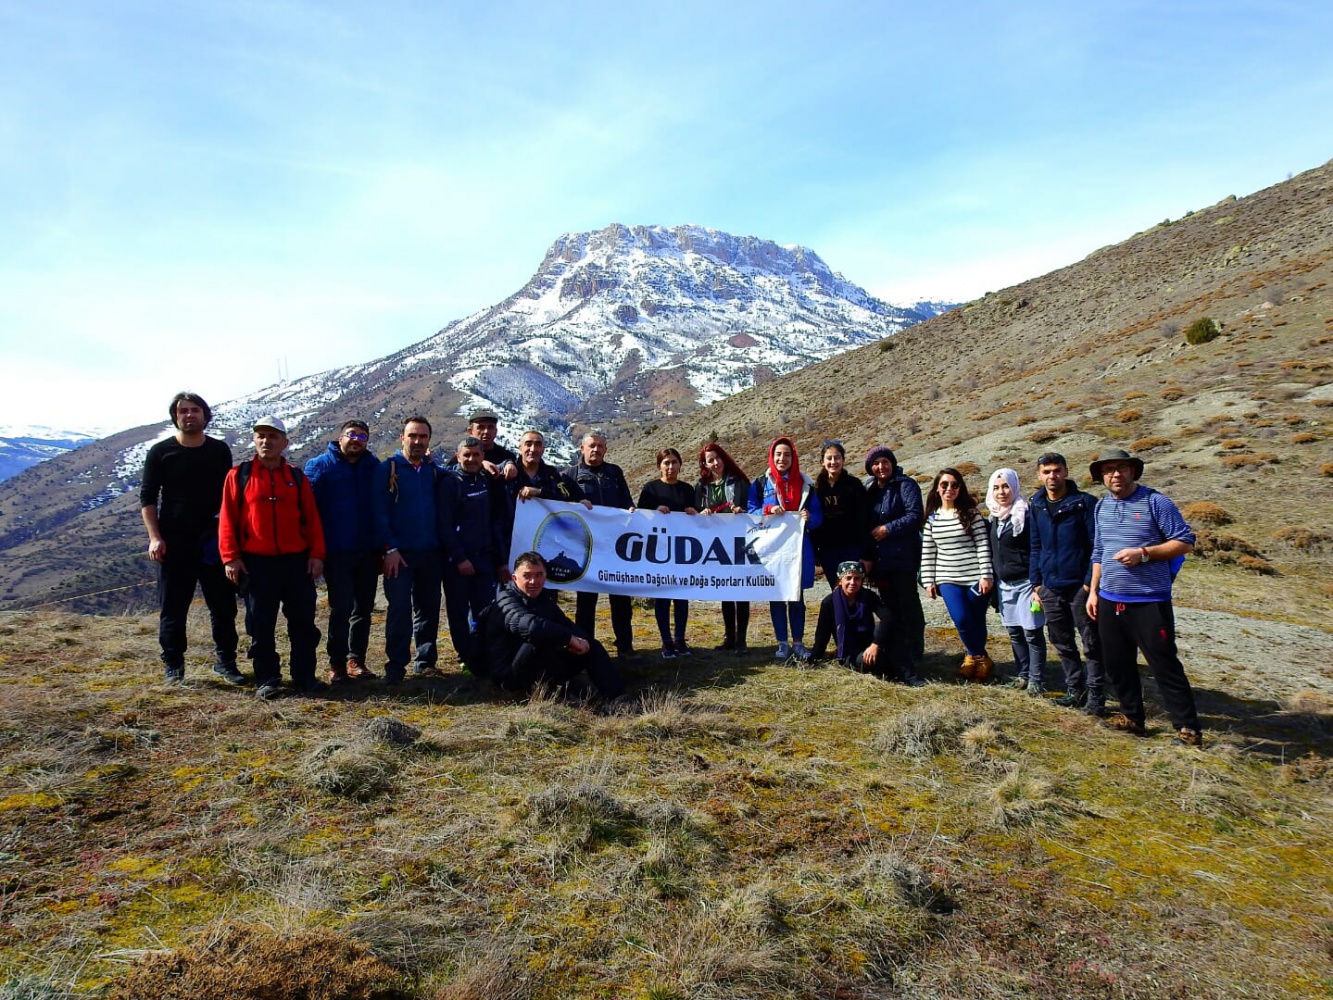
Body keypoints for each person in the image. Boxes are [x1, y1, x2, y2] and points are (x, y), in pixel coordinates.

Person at [1085, 448, 1201, 747]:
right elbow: (1099, 552)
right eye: (1108, 470)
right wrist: (1094, 591)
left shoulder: (1155, 502)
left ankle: (1187, 728)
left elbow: (1185, 541)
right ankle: (1132, 718)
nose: (1115, 475)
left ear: (1133, 471)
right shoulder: (1101, 507)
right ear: (1101, 477)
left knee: (1163, 663)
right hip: (1110, 599)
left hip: (1149, 600)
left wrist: (1145, 553)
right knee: (1117, 663)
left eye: (1121, 468)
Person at [219, 417, 326, 700]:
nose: (266, 441)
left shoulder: (296, 477)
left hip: (296, 561)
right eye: (261, 436)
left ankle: (304, 676)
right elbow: (227, 519)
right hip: (257, 563)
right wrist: (230, 557)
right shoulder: (238, 476)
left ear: (284, 442)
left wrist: (316, 554)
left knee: (303, 622)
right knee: (261, 624)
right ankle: (267, 678)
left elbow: (311, 519)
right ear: (255, 441)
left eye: (273, 436)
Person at [139, 392, 241, 684]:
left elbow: (228, 496)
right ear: (175, 417)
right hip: (174, 541)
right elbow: (147, 498)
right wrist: (154, 537)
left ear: (205, 416)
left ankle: (226, 661)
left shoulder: (219, 451)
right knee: (173, 607)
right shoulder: (160, 452)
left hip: (213, 540)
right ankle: (173, 665)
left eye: (194, 410)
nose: (189, 415)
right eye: (183, 411)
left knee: (223, 606)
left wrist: (230, 538)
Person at [483, 552, 626, 699]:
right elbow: (532, 627)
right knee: (540, 639)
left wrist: (582, 641)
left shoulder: (544, 599)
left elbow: (565, 624)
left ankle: (618, 698)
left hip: (540, 666)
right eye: (527, 576)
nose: (533, 581)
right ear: (514, 578)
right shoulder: (505, 602)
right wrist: (569, 639)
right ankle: (547, 691)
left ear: (545, 576)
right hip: (509, 675)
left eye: (539, 575)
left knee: (591, 645)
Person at [304, 420, 381, 684]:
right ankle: (336, 664)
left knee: (364, 608)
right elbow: (308, 511)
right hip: (336, 551)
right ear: (340, 438)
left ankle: (355, 660)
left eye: (362, 436)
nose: (356, 440)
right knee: (341, 607)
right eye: (352, 435)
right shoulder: (320, 466)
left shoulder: (374, 467)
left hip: (367, 551)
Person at [1028, 452, 1104, 714]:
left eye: (1057, 470)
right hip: (1050, 587)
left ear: (1066, 471)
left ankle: (1096, 696)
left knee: (1091, 643)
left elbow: (1097, 546)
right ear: (1039, 475)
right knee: (1061, 641)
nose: (1052, 476)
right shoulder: (1036, 505)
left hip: (1079, 588)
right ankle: (1075, 689)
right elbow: (1035, 546)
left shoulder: (1084, 503)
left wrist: (1087, 585)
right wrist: (1036, 583)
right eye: (1047, 471)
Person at [372, 416, 442, 684]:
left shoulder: (432, 470)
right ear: (402, 438)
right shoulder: (387, 469)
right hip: (398, 554)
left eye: (423, 437)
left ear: (428, 440)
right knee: (399, 609)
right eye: (412, 436)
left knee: (428, 607)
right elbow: (378, 512)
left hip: (430, 552)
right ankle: (395, 667)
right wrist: (389, 548)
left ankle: (425, 661)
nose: (417, 441)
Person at [748, 437, 823, 661]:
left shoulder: (806, 484)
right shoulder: (762, 483)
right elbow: (752, 510)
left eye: (787, 455)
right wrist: (769, 508)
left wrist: (809, 518)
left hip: (798, 549)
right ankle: (782, 642)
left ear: (793, 457)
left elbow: (818, 517)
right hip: (772, 548)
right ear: (772, 456)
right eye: (778, 454)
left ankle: (798, 642)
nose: (782, 459)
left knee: (796, 595)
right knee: (777, 594)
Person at [438, 435, 511, 668]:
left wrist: (500, 561)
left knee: (486, 611)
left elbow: (494, 523)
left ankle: (483, 655)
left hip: (485, 559)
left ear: (483, 456)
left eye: (476, 454)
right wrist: (459, 558)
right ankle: (466, 658)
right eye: (466, 455)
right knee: (458, 613)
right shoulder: (449, 482)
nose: (471, 459)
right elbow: (444, 525)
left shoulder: (486, 480)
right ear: (458, 456)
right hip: (457, 563)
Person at [567, 430, 638, 659]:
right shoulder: (571, 475)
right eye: (591, 446)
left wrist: (630, 510)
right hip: (586, 550)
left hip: (615, 548)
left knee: (621, 601)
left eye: (600, 446)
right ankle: (585, 649)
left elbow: (627, 500)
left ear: (605, 450)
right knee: (586, 603)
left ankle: (625, 647)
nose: (596, 450)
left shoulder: (614, 473)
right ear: (582, 449)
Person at [920, 468, 994, 681]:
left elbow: (982, 546)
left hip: (975, 577)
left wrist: (986, 575)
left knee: (977, 620)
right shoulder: (932, 519)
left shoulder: (972, 514)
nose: (949, 489)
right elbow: (928, 552)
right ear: (937, 489)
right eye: (944, 485)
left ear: (960, 488)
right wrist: (928, 580)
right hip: (947, 578)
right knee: (961, 618)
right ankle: (981, 658)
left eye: (954, 485)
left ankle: (972, 658)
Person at [864, 446, 926, 683]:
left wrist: (888, 529)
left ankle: (914, 653)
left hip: (903, 558)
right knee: (889, 608)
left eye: (885, 462)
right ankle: (895, 653)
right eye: (876, 463)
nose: (881, 467)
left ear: (892, 463)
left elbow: (915, 515)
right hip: (882, 561)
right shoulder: (870, 489)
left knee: (908, 605)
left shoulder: (905, 485)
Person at [811, 561, 925, 685]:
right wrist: (814, 657)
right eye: (848, 578)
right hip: (851, 654)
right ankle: (896, 671)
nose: (852, 583)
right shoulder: (829, 602)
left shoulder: (868, 596)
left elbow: (888, 618)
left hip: (870, 645)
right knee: (875, 660)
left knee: (893, 631)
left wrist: (875, 644)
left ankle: (911, 678)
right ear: (840, 580)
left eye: (857, 579)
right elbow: (822, 633)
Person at [987, 468, 1048, 696]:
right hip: (1004, 585)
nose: (1001, 492)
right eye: (996, 487)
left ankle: (1036, 679)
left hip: (1026, 584)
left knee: (1032, 632)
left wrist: (1037, 584)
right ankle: (1023, 675)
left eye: (1005, 486)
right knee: (1014, 632)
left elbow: (1036, 550)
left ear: (1014, 487)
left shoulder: (1027, 514)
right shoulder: (993, 517)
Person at [637, 447, 698, 659]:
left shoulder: (688, 490)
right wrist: (655, 513)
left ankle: (680, 639)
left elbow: (697, 519)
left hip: (682, 552)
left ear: (680, 465)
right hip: (659, 552)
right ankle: (666, 642)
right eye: (666, 463)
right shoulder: (650, 489)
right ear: (659, 466)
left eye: (674, 462)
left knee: (681, 597)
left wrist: (693, 513)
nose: (670, 467)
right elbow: (641, 517)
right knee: (662, 598)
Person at [694, 442, 751, 654]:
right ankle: (729, 636)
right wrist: (702, 513)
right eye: (710, 460)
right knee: (726, 589)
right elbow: (695, 512)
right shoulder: (701, 487)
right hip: (715, 544)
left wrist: (742, 510)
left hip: (739, 542)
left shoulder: (739, 482)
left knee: (741, 589)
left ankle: (742, 640)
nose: (715, 463)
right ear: (705, 464)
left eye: (718, 458)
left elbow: (752, 507)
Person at [810, 440, 871, 586]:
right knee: (837, 590)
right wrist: (815, 552)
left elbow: (865, 519)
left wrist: (867, 552)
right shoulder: (815, 489)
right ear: (822, 462)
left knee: (853, 588)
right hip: (828, 549)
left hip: (853, 547)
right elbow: (812, 522)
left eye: (837, 457)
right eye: (829, 458)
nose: (833, 462)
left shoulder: (854, 485)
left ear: (843, 460)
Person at [509, 429, 586, 508]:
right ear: (520, 448)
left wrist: (540, 492)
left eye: (538, 445)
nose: (533, 449)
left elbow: (563, 499)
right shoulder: (509, 472)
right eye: (528, 444)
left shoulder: (552, 474)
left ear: (543, 450)